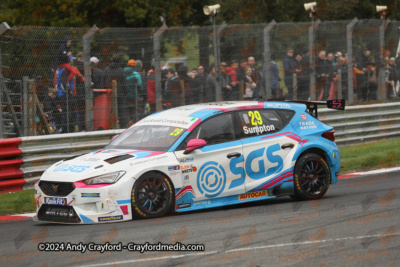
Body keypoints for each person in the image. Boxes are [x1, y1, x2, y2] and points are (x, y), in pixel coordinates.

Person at [102, 54, 128, 128]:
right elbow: (124, 83)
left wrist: (105, 92)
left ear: (112, 60)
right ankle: (123, 127)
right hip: (120, 94)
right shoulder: (121, 71)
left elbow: (103, 82)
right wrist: (124, 93)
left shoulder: (106, 70)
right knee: (122, 111)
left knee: (108, 112)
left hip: (109, 94)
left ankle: (107, 127)